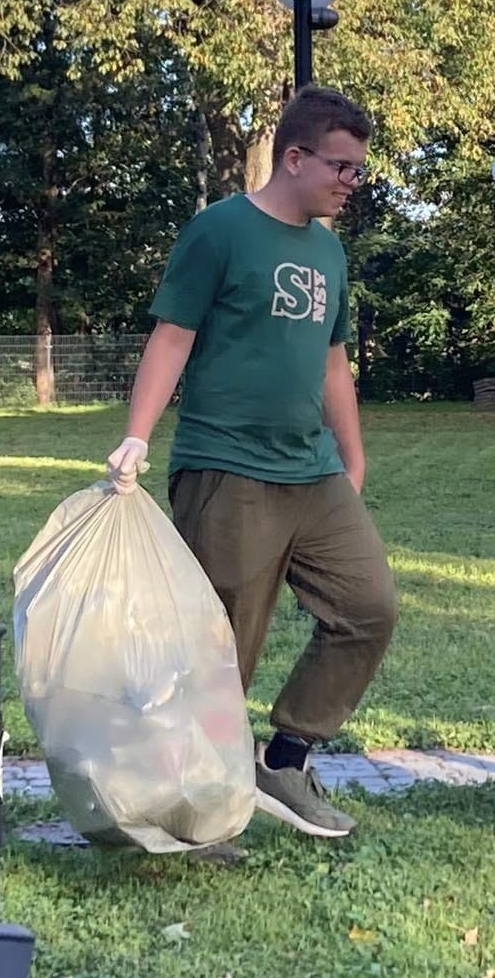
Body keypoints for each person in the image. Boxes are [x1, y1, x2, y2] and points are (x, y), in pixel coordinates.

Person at [105, 85, 396, 843]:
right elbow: (172, 337)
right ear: (293, 157)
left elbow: (333, 360)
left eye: (358, 170)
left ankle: (287, 758)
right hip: (225, 469)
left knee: (368, 609)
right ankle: (188, 806)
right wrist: (137, 436)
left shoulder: (329, 250)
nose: (351, 182)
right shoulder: (219, 232)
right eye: (341, 166)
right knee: (220, 652)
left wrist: (354, 456)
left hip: (314, 473)